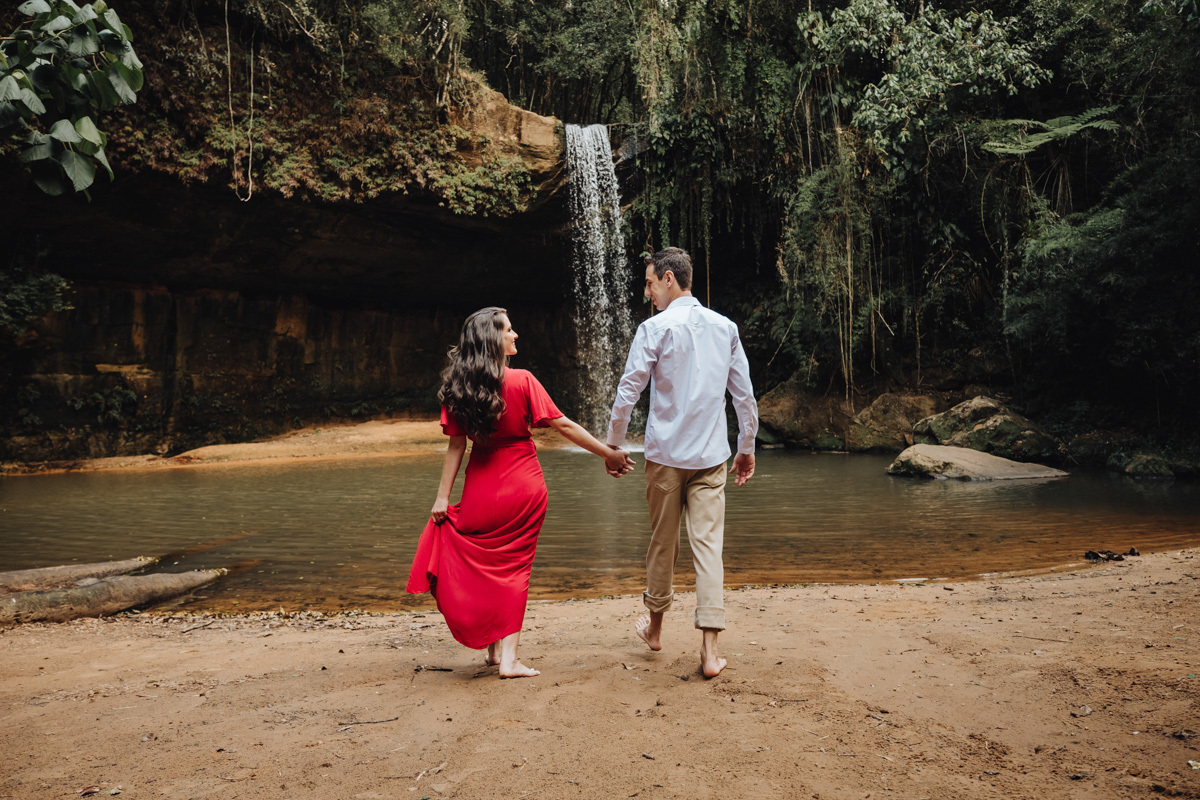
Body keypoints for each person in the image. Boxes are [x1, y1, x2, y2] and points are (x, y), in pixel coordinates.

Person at [407, 307, 634, 679]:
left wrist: (442, 498)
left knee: (486, 567)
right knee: (515, 569)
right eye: (509, 330)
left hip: (481, 484)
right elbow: (563, 425)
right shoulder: (522, 380)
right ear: (492, 338)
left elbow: (456, 447)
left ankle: (494, 651)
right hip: (523, 486)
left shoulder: (460, 390)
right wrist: (607, 453)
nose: (515, 335)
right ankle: (509, 660)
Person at [606, 247, 758, 679]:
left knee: (662, 543)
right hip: (711, 456)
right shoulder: (724, 327)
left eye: (651, 282)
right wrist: (746, 445)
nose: (648, 291)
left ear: (669, 279)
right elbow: (743, 395)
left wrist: (615, 445)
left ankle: (654, 629)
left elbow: (628, 392)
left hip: (666, 457)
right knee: (709, 549)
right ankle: (710, 653)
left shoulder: (654, 328)